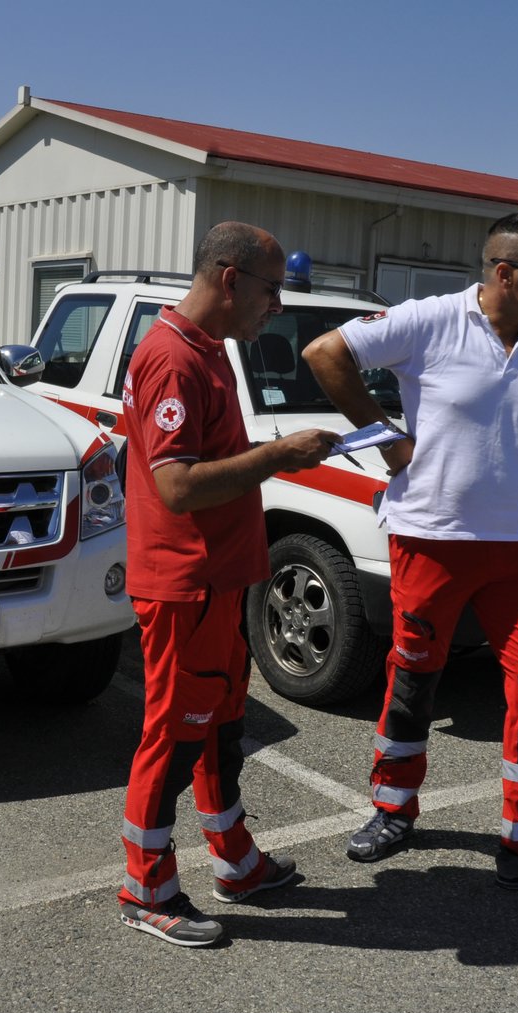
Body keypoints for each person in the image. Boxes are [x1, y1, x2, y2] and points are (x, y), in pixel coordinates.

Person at [301, 212, 518, 890]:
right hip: (430, 540)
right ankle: (391, 807)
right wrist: (384, 435)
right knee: (414, 672)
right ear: (506, 275)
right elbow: (326, 352)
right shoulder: (432, 320)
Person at [118, 222, 342, 947]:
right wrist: (278, 455)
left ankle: (235, 860)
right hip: (185, 585)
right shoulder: (172, 359)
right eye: (273, 289)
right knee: (173, 737)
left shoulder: (209, 352)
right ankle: (145, 885)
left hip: (218, 582)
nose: (276, 305)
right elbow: (177, 486)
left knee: (218, 731)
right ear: (230, 278)